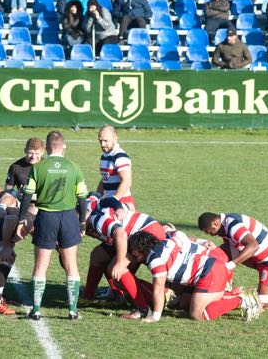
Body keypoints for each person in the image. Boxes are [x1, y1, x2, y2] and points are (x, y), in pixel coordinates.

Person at [18, 130, 90, 320]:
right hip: (68, 218)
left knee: (41, 265)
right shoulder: (74, 167)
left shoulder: (38, 168)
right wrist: (82, 222)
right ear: (63, 146)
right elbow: (83, 199)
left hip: (46, 217)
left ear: (47, 148)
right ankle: (73, 309)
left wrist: (21, 220)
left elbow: (27, 195)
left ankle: (36, 309)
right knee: (71, 265)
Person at [126, 228, 261, 323]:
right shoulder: (168, 242)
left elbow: (159, 289)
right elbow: (181, 235)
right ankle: (226, 294)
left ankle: (241, 299)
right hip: (210, 267)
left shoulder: (155, 260)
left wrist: (155, 316)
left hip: (210, 272)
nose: (132, 253)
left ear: (141, 247)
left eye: (133, 250)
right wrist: (202, 241)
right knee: (184, 303)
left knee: (197, 315)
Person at [81, 200, 167, 312]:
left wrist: (119, 262)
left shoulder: (97, 219)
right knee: (98, 256)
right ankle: (91, 296)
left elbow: (121, 234)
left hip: (145, 234)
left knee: (117, 270)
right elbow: (123, 205)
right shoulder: (84, 216)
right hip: (131, 236)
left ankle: (145, 307)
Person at [96, 126, 133, 207]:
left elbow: (127, 182)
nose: (102, 144)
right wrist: (96, 196)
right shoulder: (105, 155)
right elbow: (105, 178)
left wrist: (114, 200)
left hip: (121, 203)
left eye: (106, 141)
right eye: (100, 141)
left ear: (115, 139)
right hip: (109, 201)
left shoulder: (120, 156)